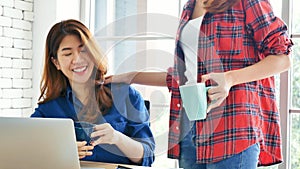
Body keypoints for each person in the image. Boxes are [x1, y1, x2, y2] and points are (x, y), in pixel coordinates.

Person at [105, 0, 293, 168]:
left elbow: (282, 59)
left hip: (233, 128)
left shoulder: (247, 2)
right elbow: (181, 78)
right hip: (189, 127)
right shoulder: (189, 6)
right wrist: (130, 76)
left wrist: (229, 78)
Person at [30, 19, 155, 166]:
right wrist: (60, 152)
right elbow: (27, 149)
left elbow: (147, 155)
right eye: (68, 53)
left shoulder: (125, 95)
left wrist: (117, 138)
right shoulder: (49, 109)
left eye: (83, 50)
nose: (78, 59)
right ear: (56, 63)